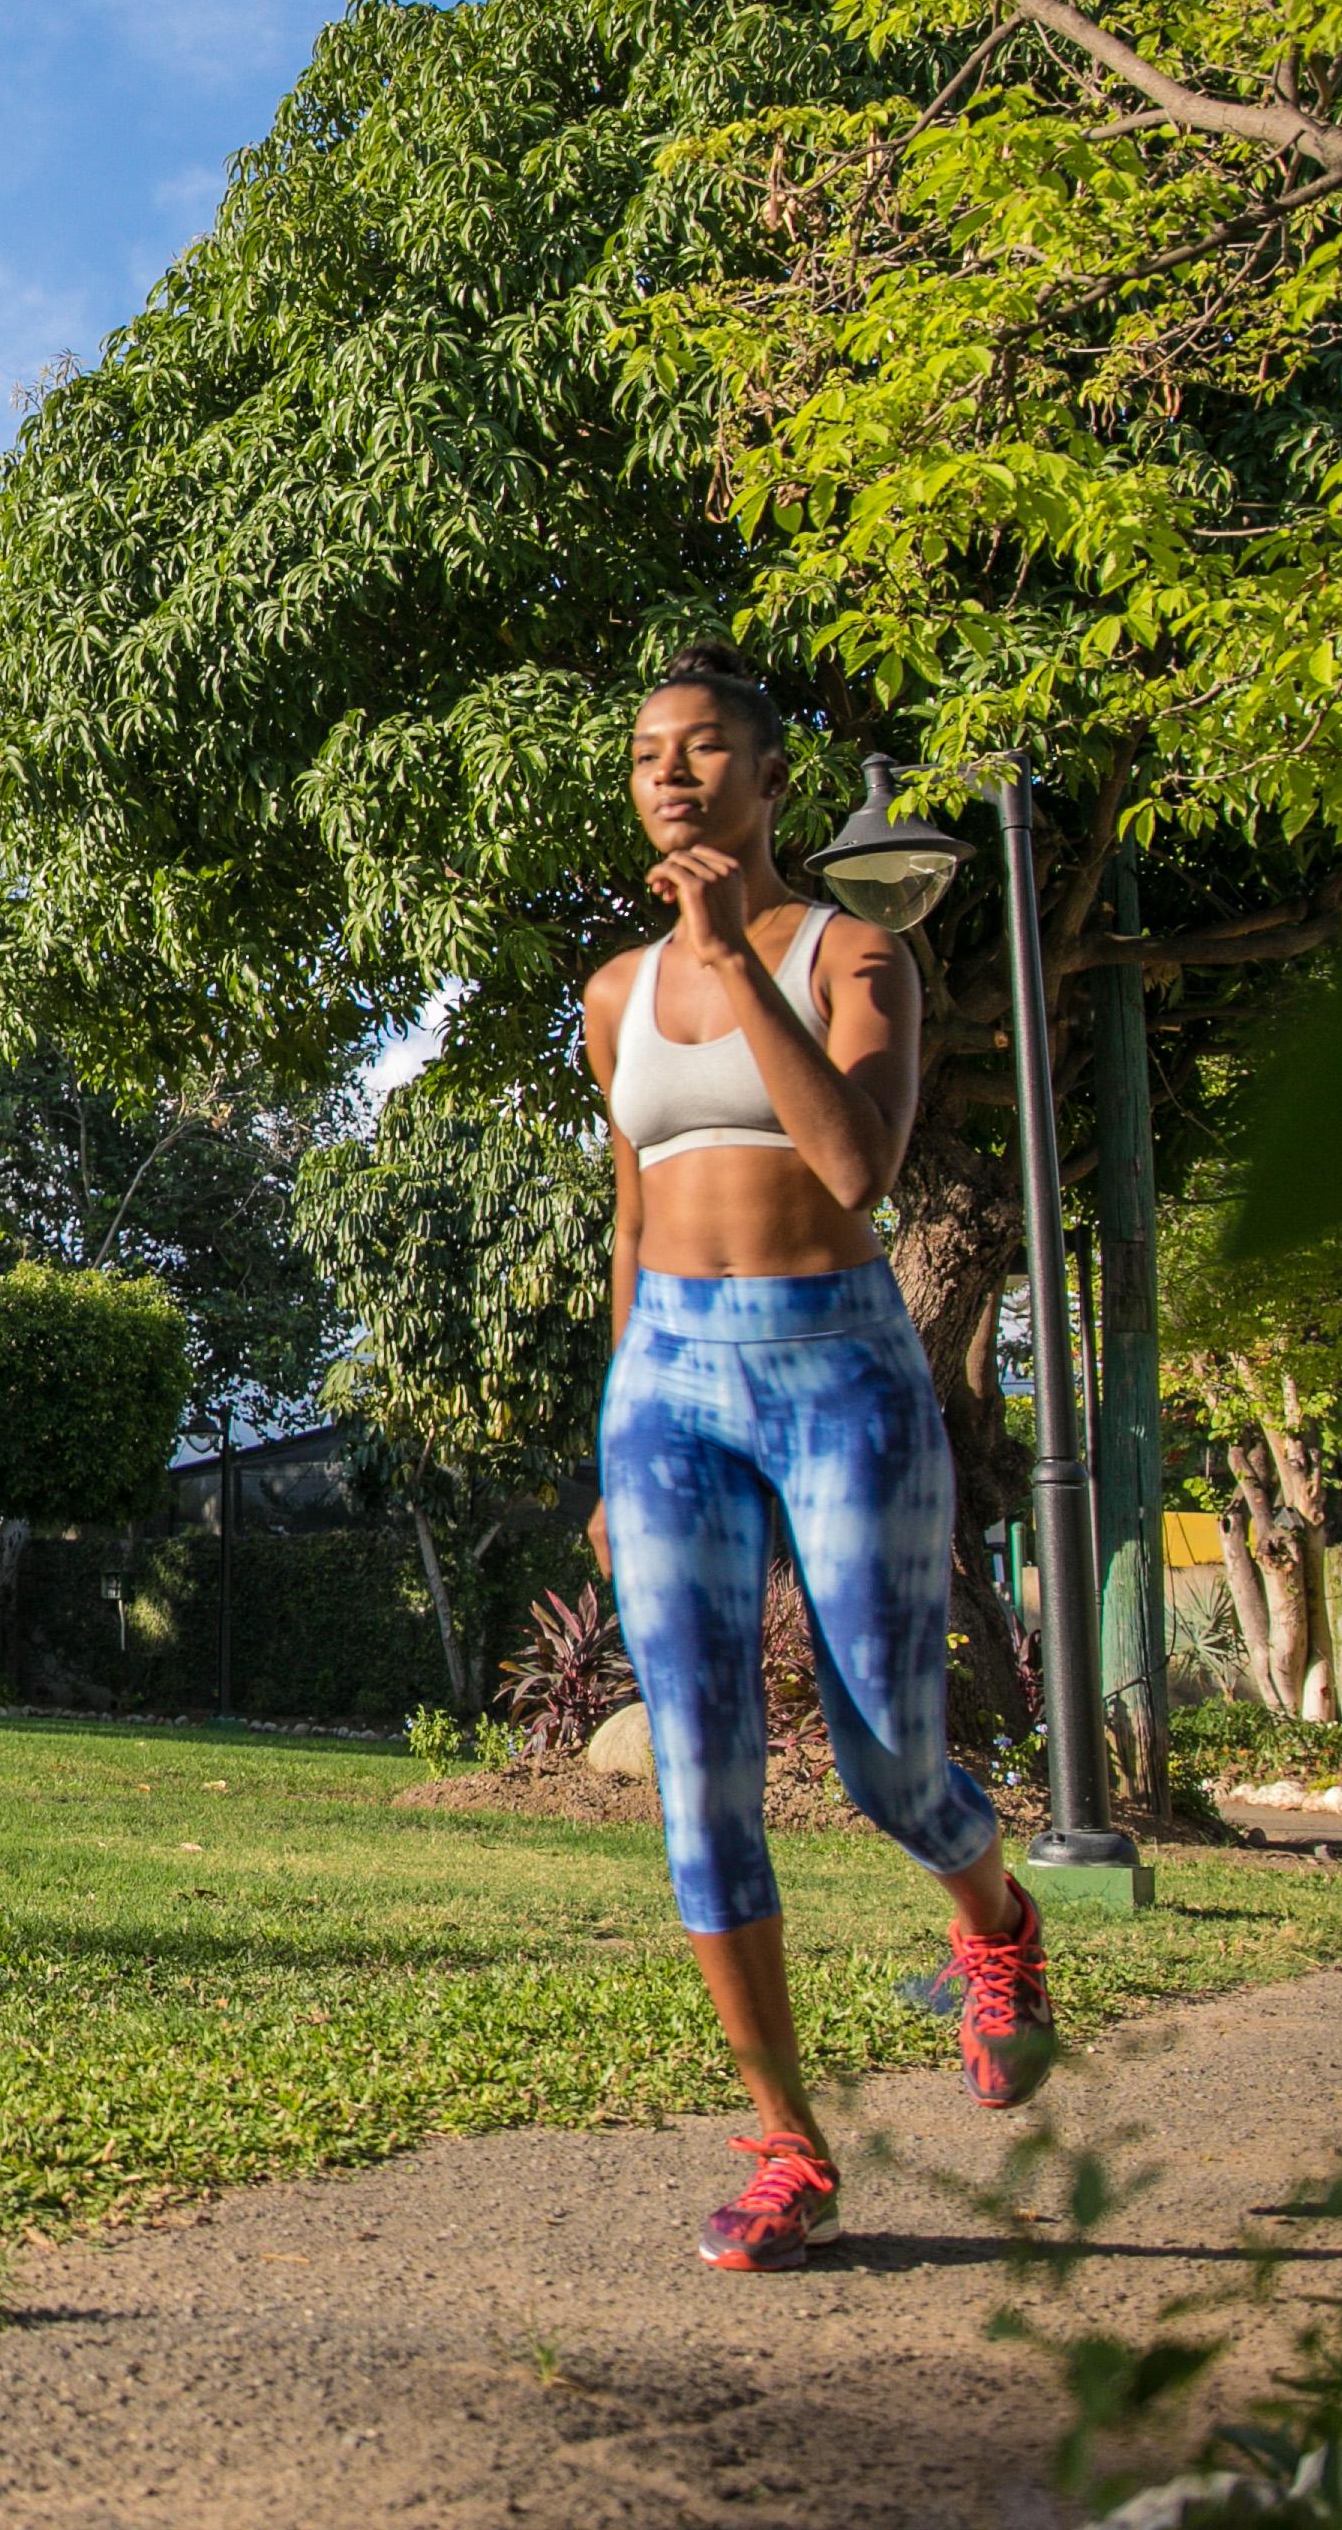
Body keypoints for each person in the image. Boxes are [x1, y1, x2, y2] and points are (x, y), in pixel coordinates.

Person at [581, 650, 1054, 2273]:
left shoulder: (856, 954)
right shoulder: (613, 996)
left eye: (706, 750)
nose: (670, 774)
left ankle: (994, 1924)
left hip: (837, 1365)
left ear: (770, 784)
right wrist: (615, 1435)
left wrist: (737, 955)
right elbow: (637, 1218)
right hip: (670, 1393)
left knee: (885, 1763)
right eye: (648, 753)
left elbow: (853, 1168)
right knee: (698, 1779)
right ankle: (788, 2141)